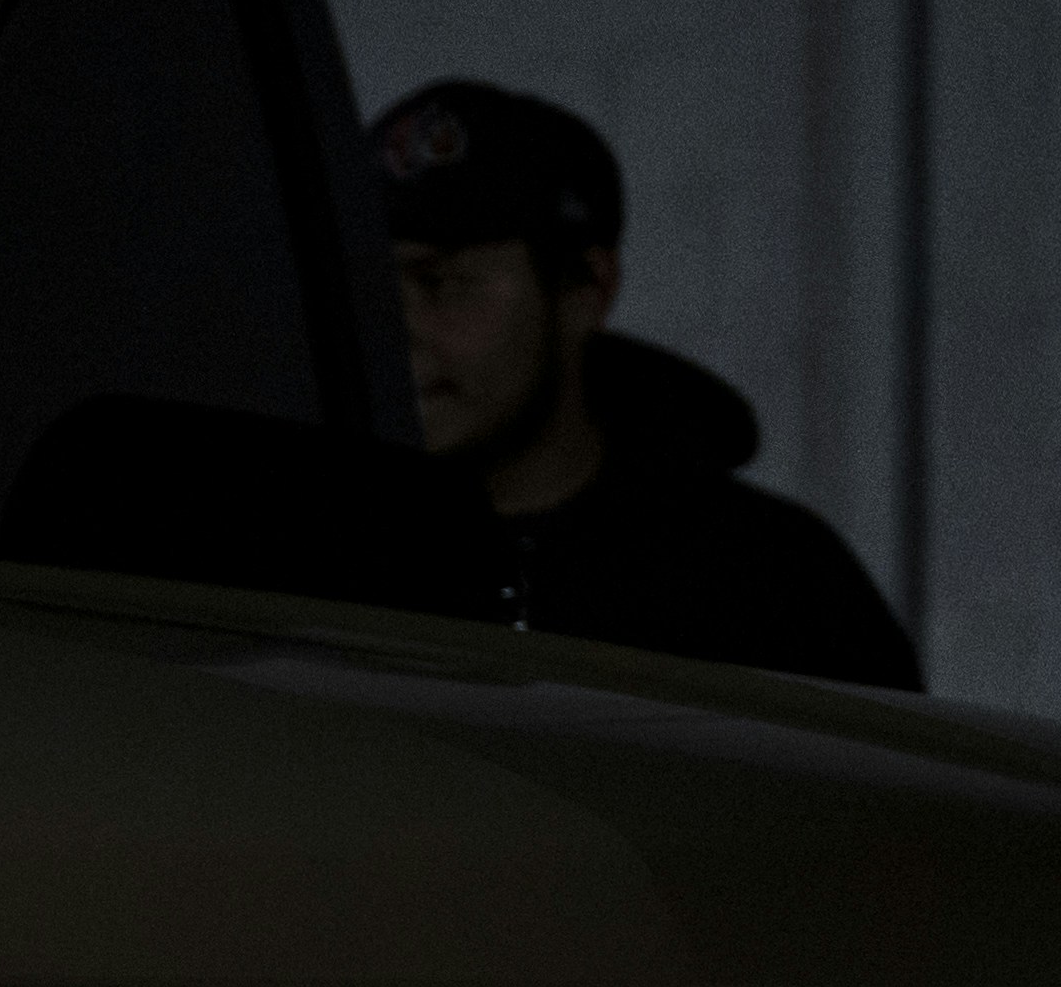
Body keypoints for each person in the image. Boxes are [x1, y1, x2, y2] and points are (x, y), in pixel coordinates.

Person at [370, 78, 919, 689]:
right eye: (374, 284)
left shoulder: (769, 583)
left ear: (585, 291)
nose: (398, 329)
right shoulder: (327, 554)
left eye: (442, 282)